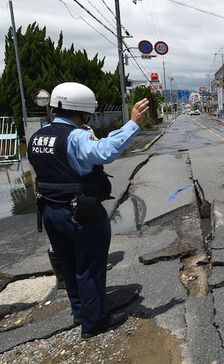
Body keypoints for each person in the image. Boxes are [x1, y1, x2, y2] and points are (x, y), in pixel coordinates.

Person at [27, 82, 150, 339]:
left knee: (69, 265)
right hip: (80, 212)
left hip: (50, 210)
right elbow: (105, 151)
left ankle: (81, 311)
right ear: (83, 110)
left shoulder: (38, 136)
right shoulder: (76, 136)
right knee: (90, 266)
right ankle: (95, 322)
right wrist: (133, 123)